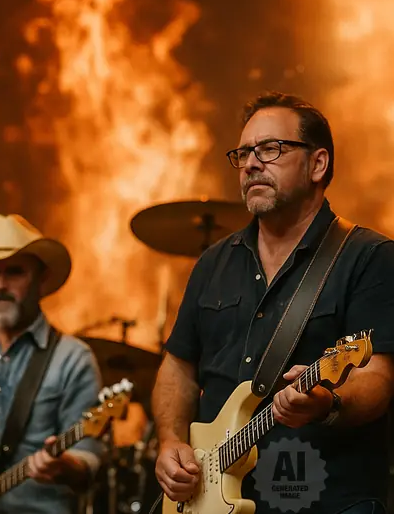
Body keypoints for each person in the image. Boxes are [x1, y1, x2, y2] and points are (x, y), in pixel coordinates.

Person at [153, 92, 393, 513]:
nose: (250, 163)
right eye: (244, 153)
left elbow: (378, 376)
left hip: (322, 499)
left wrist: (330, 402)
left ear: (318, 164)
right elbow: (177, 366)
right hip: (211, 501)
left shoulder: (369, 257)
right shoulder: (213, 263)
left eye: (270, 149)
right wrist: (171, 441)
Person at [0, 213, 106, 514]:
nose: (1, 284)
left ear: (41, 279)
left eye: (15, 272)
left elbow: (89, 460)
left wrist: (67, 466)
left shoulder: (73, 359)